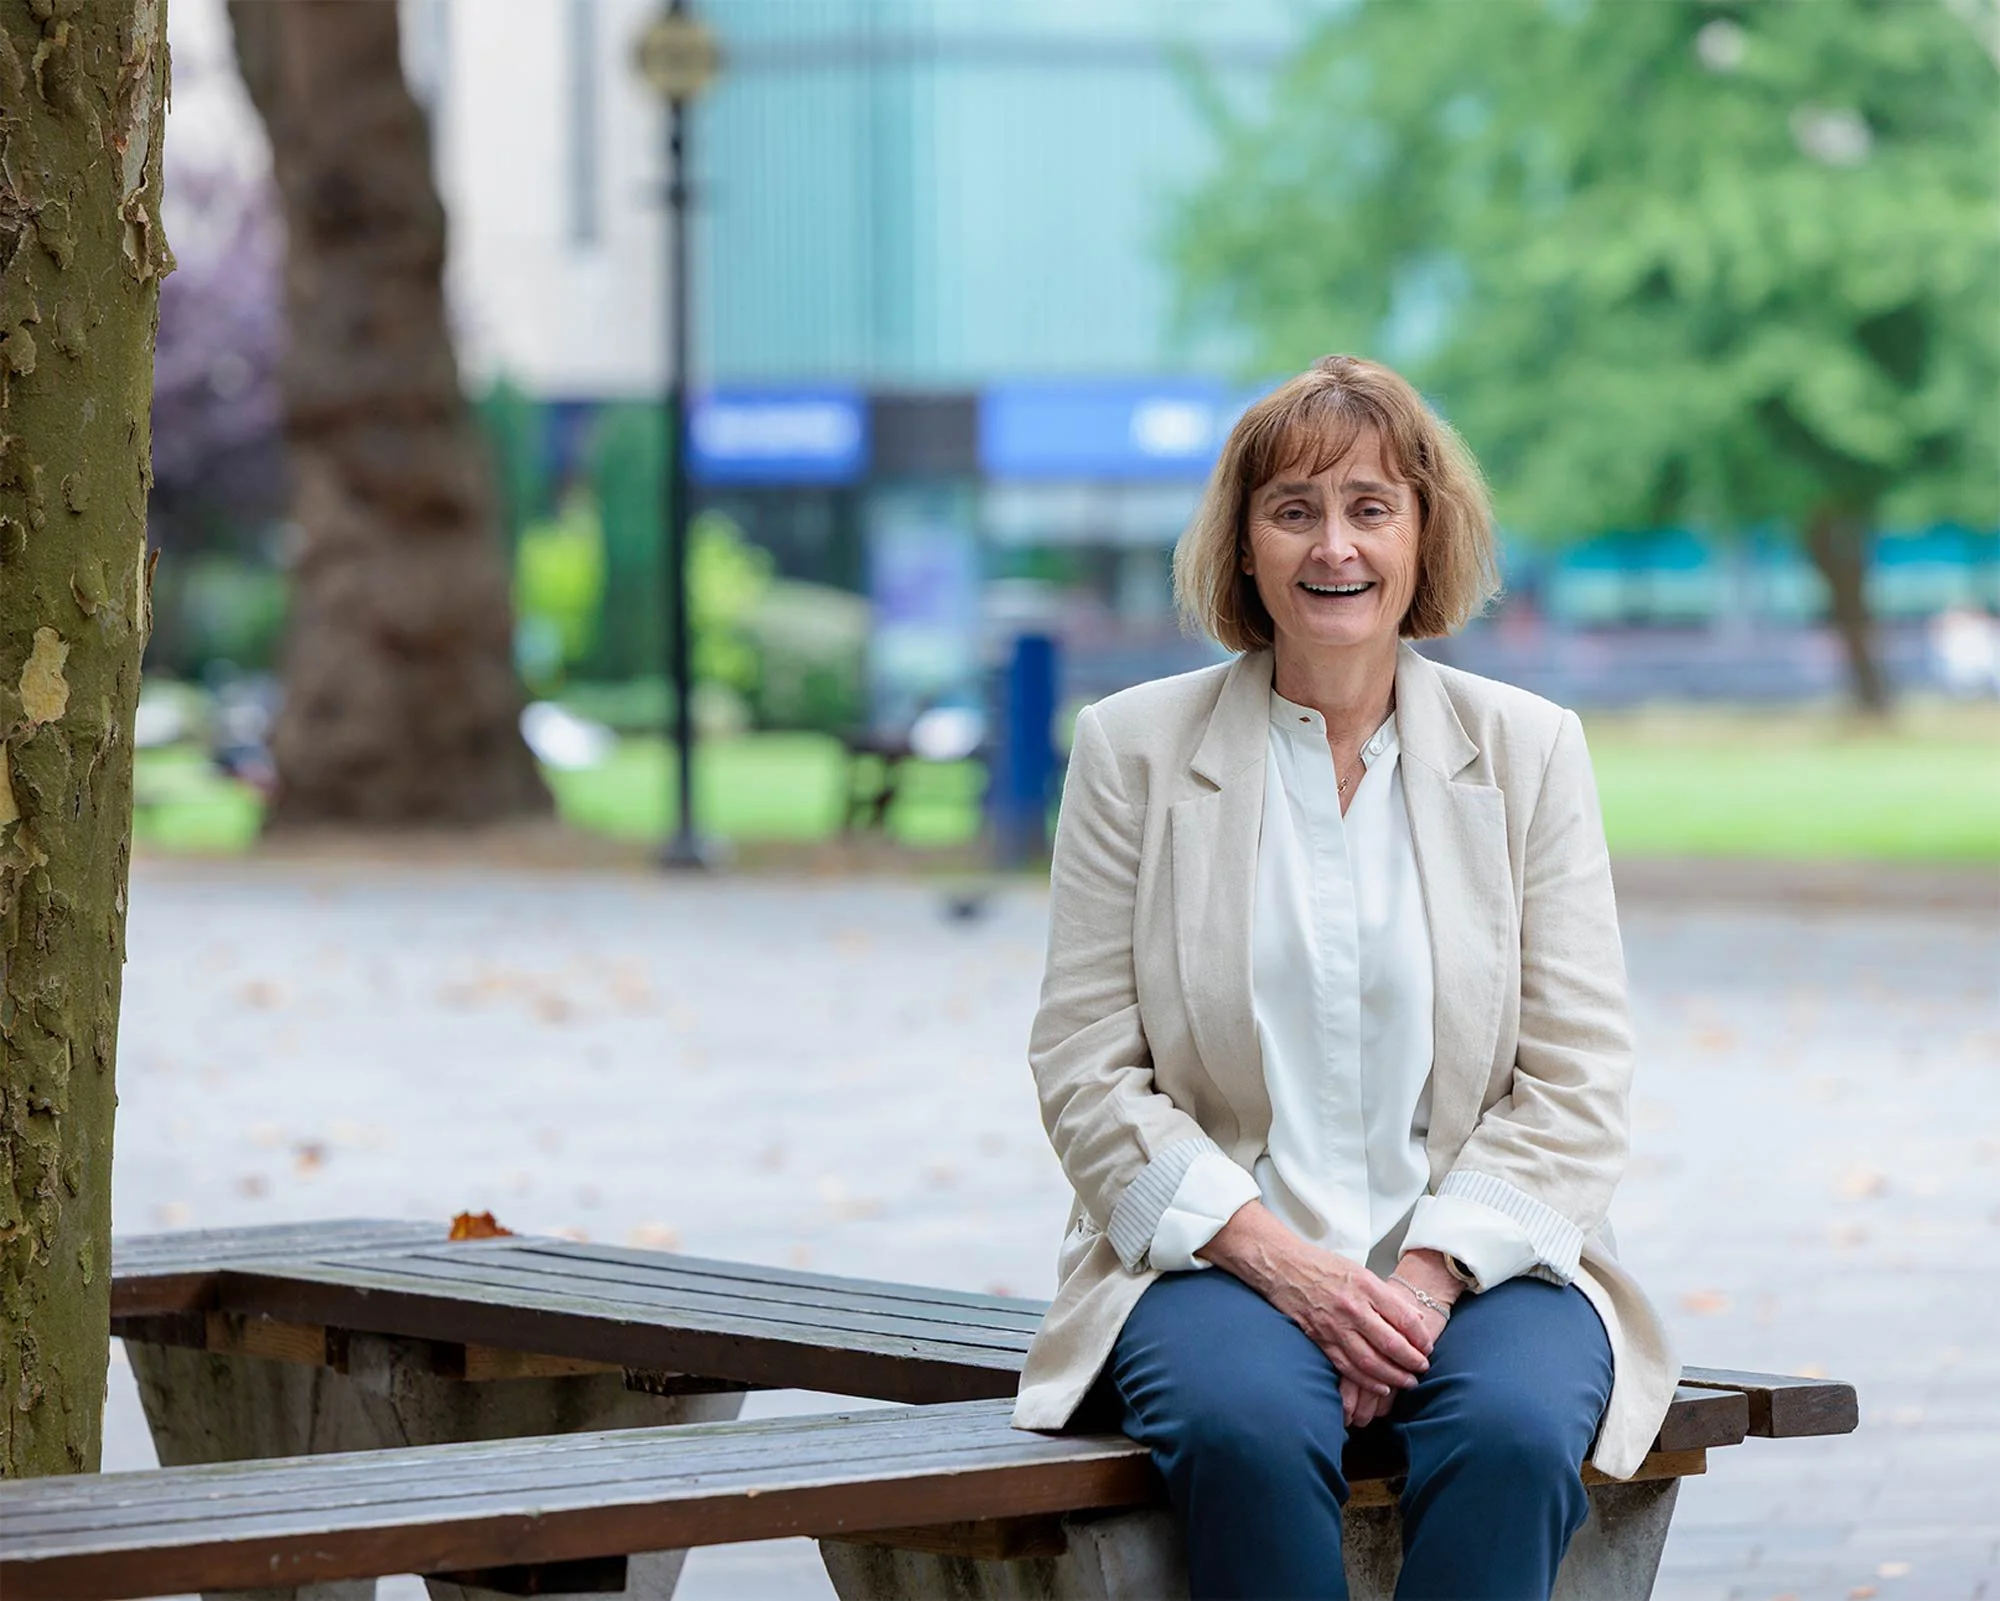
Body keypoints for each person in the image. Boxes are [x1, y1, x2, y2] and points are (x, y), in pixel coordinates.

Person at [1011, 355, 1677, 1600]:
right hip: (1216, 1256)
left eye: (1372, 507)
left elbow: (1578, 1076)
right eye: (1294, 509)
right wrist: (1290, 1267)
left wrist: (1421, 1280)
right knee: (1247, 1430)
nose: (1335, 547)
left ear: (1424, 537)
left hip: (1486, 1258)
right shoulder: (1134, 751)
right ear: (1243, 545)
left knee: (1513, 1436)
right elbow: (1083, 1068)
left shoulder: (1526, 752)